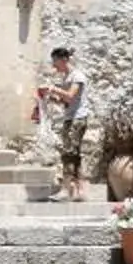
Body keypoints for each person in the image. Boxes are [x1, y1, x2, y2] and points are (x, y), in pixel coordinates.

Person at [33, 46, 90, 199]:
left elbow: (70, 96)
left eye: (55, 62)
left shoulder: (77, 76)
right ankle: (81, 190)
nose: (54, 66)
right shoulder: (67, 77)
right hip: (70, 117)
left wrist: (52, 88)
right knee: (74, 155)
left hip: (77, 118)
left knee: (68, 154)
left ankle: (66, 189)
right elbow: (65, 101)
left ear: (64, 60)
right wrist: (49, 97)